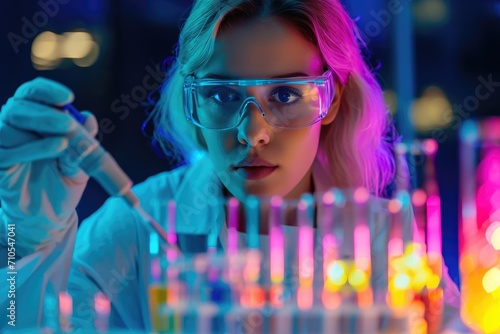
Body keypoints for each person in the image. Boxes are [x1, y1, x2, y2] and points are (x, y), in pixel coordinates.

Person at [0, 0, 466, 332]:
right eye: (223, 96)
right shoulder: (139, 227)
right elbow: (22, 322)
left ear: (332, 99)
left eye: (285, 95)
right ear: (193, 101)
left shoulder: (385, 241)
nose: (253, 133)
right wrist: (25, 240)